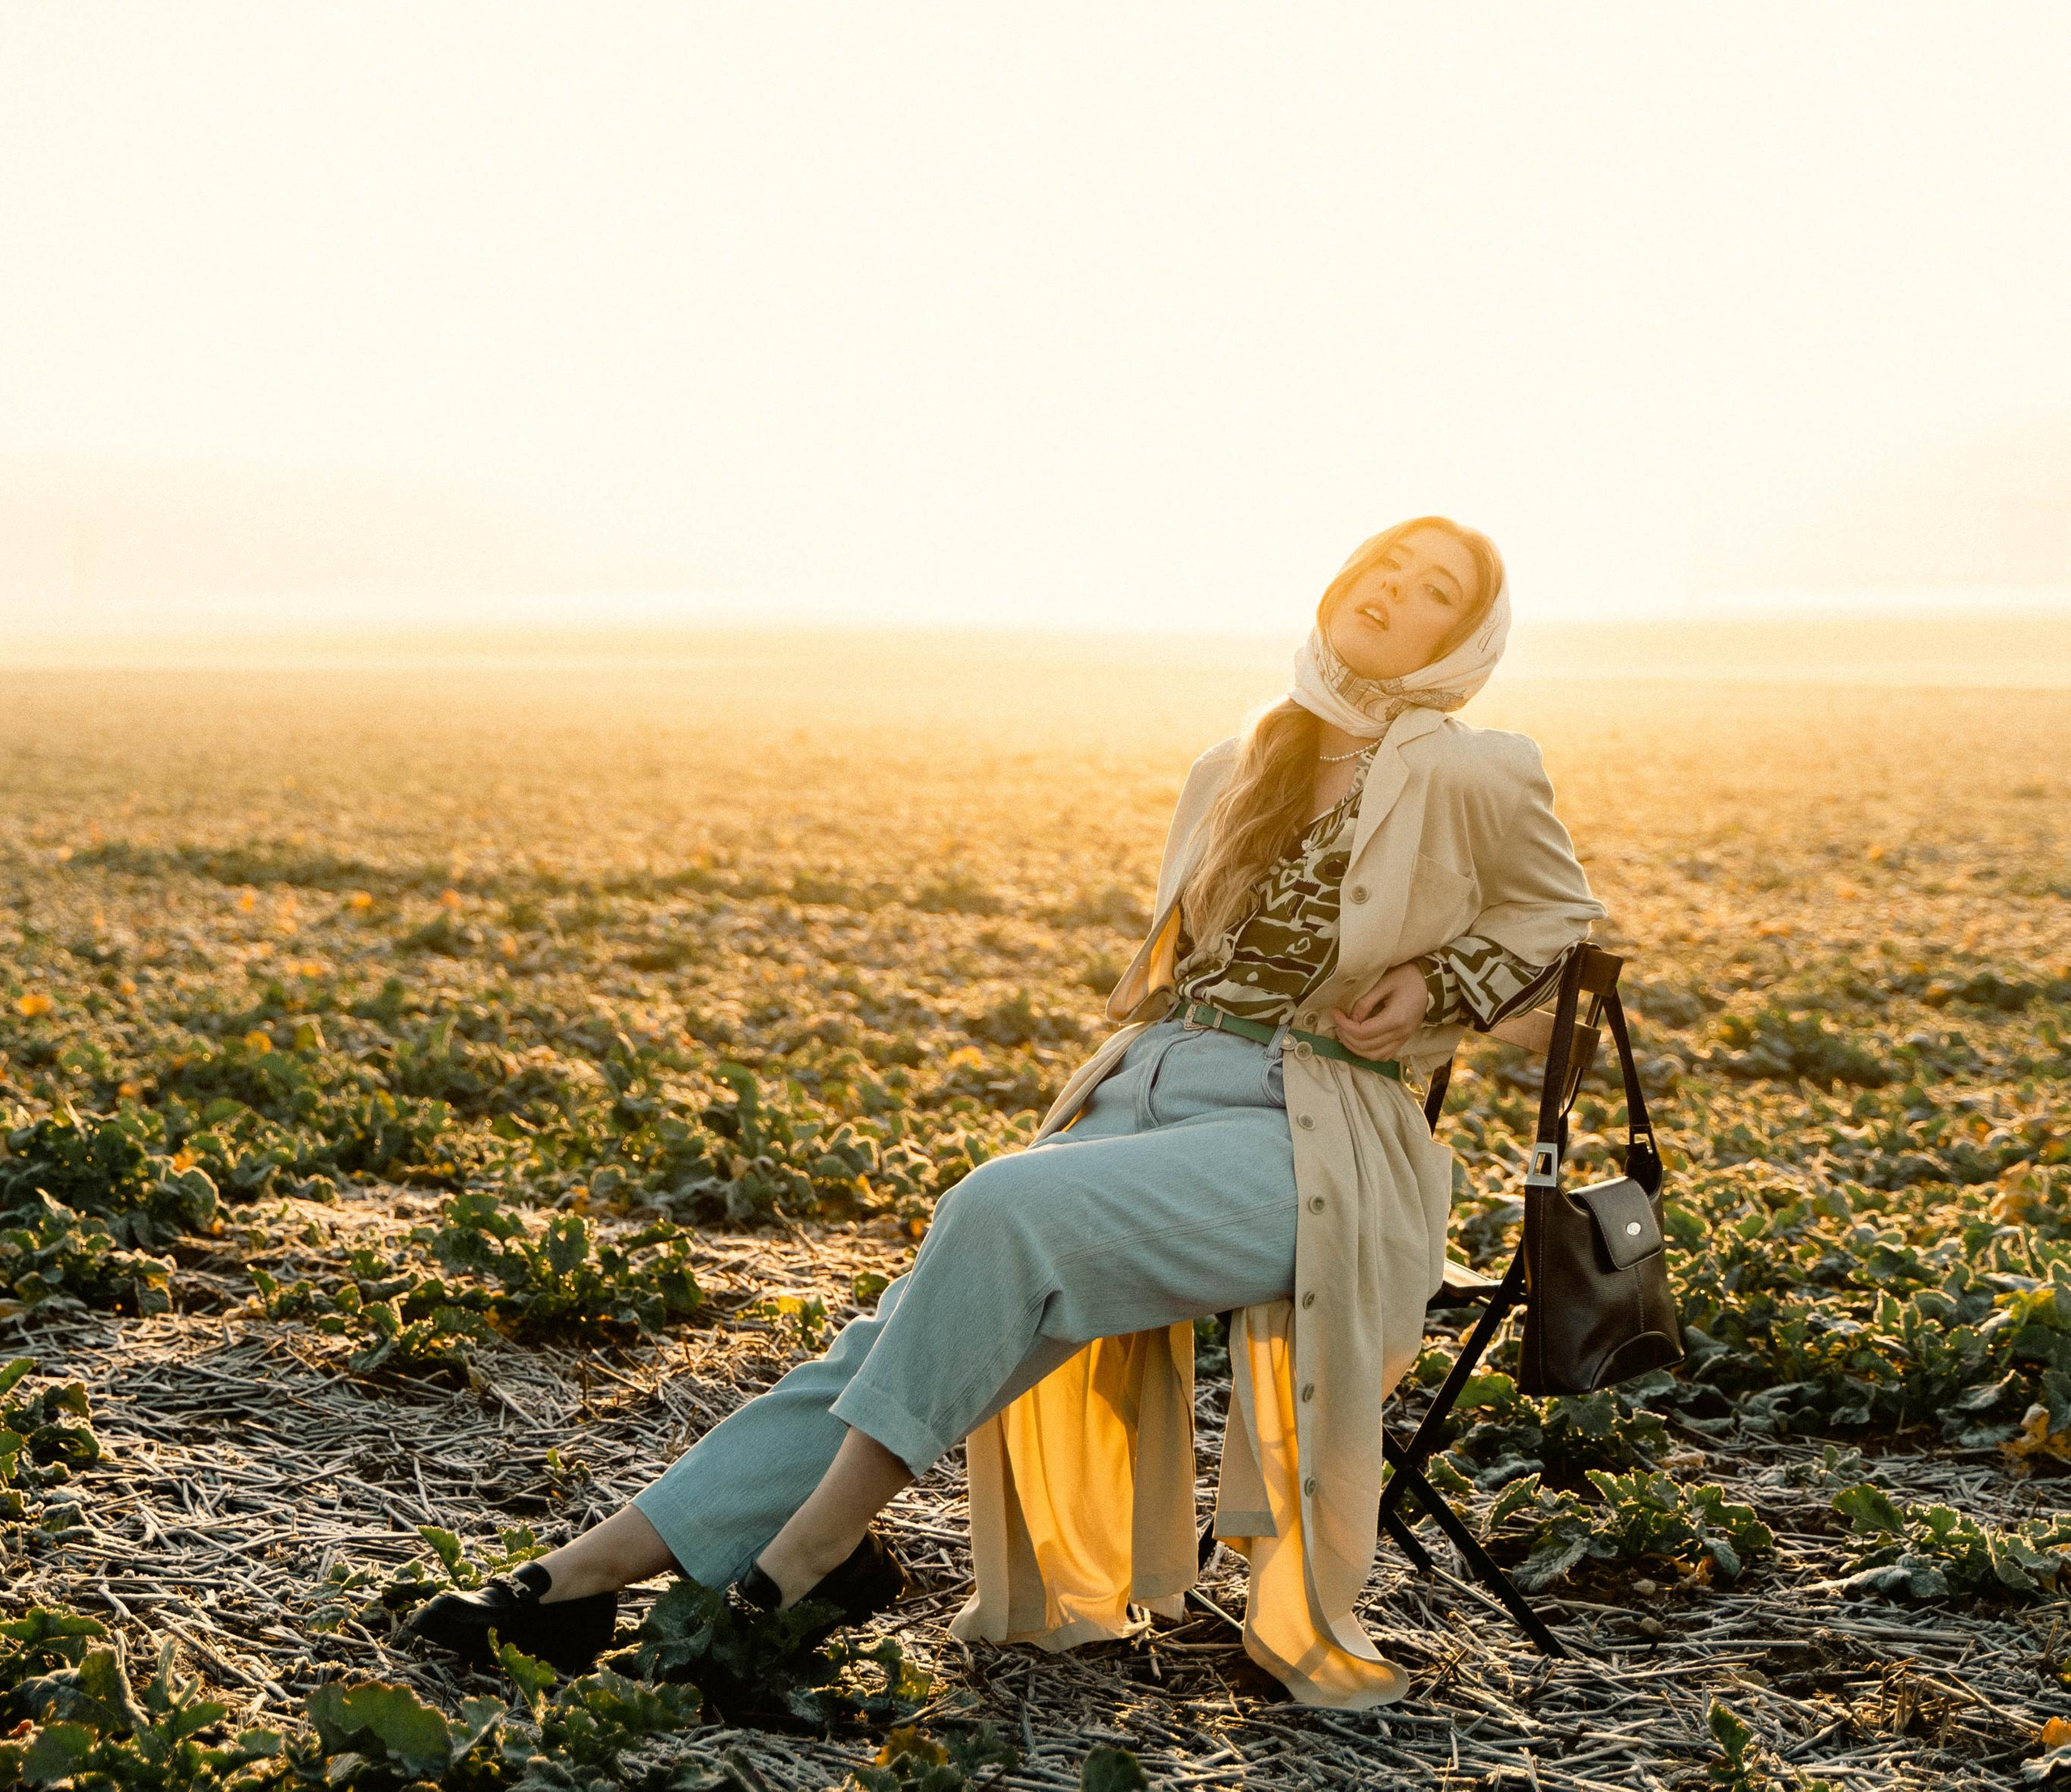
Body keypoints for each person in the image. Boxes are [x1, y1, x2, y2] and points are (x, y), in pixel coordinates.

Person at [413, 519, 1604, 1709]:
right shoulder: (1241, 761)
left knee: (998, 1210)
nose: (1393, 591)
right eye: (1385, 566)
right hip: (1147, 1085)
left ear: (1464, 638)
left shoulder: (1473, 766)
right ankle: (594, 1570)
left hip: (1314, 1133)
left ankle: (804, 1561)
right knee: (898, 1332)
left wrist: (1439, 986)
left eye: (1434, 590)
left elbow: (1567, 920)